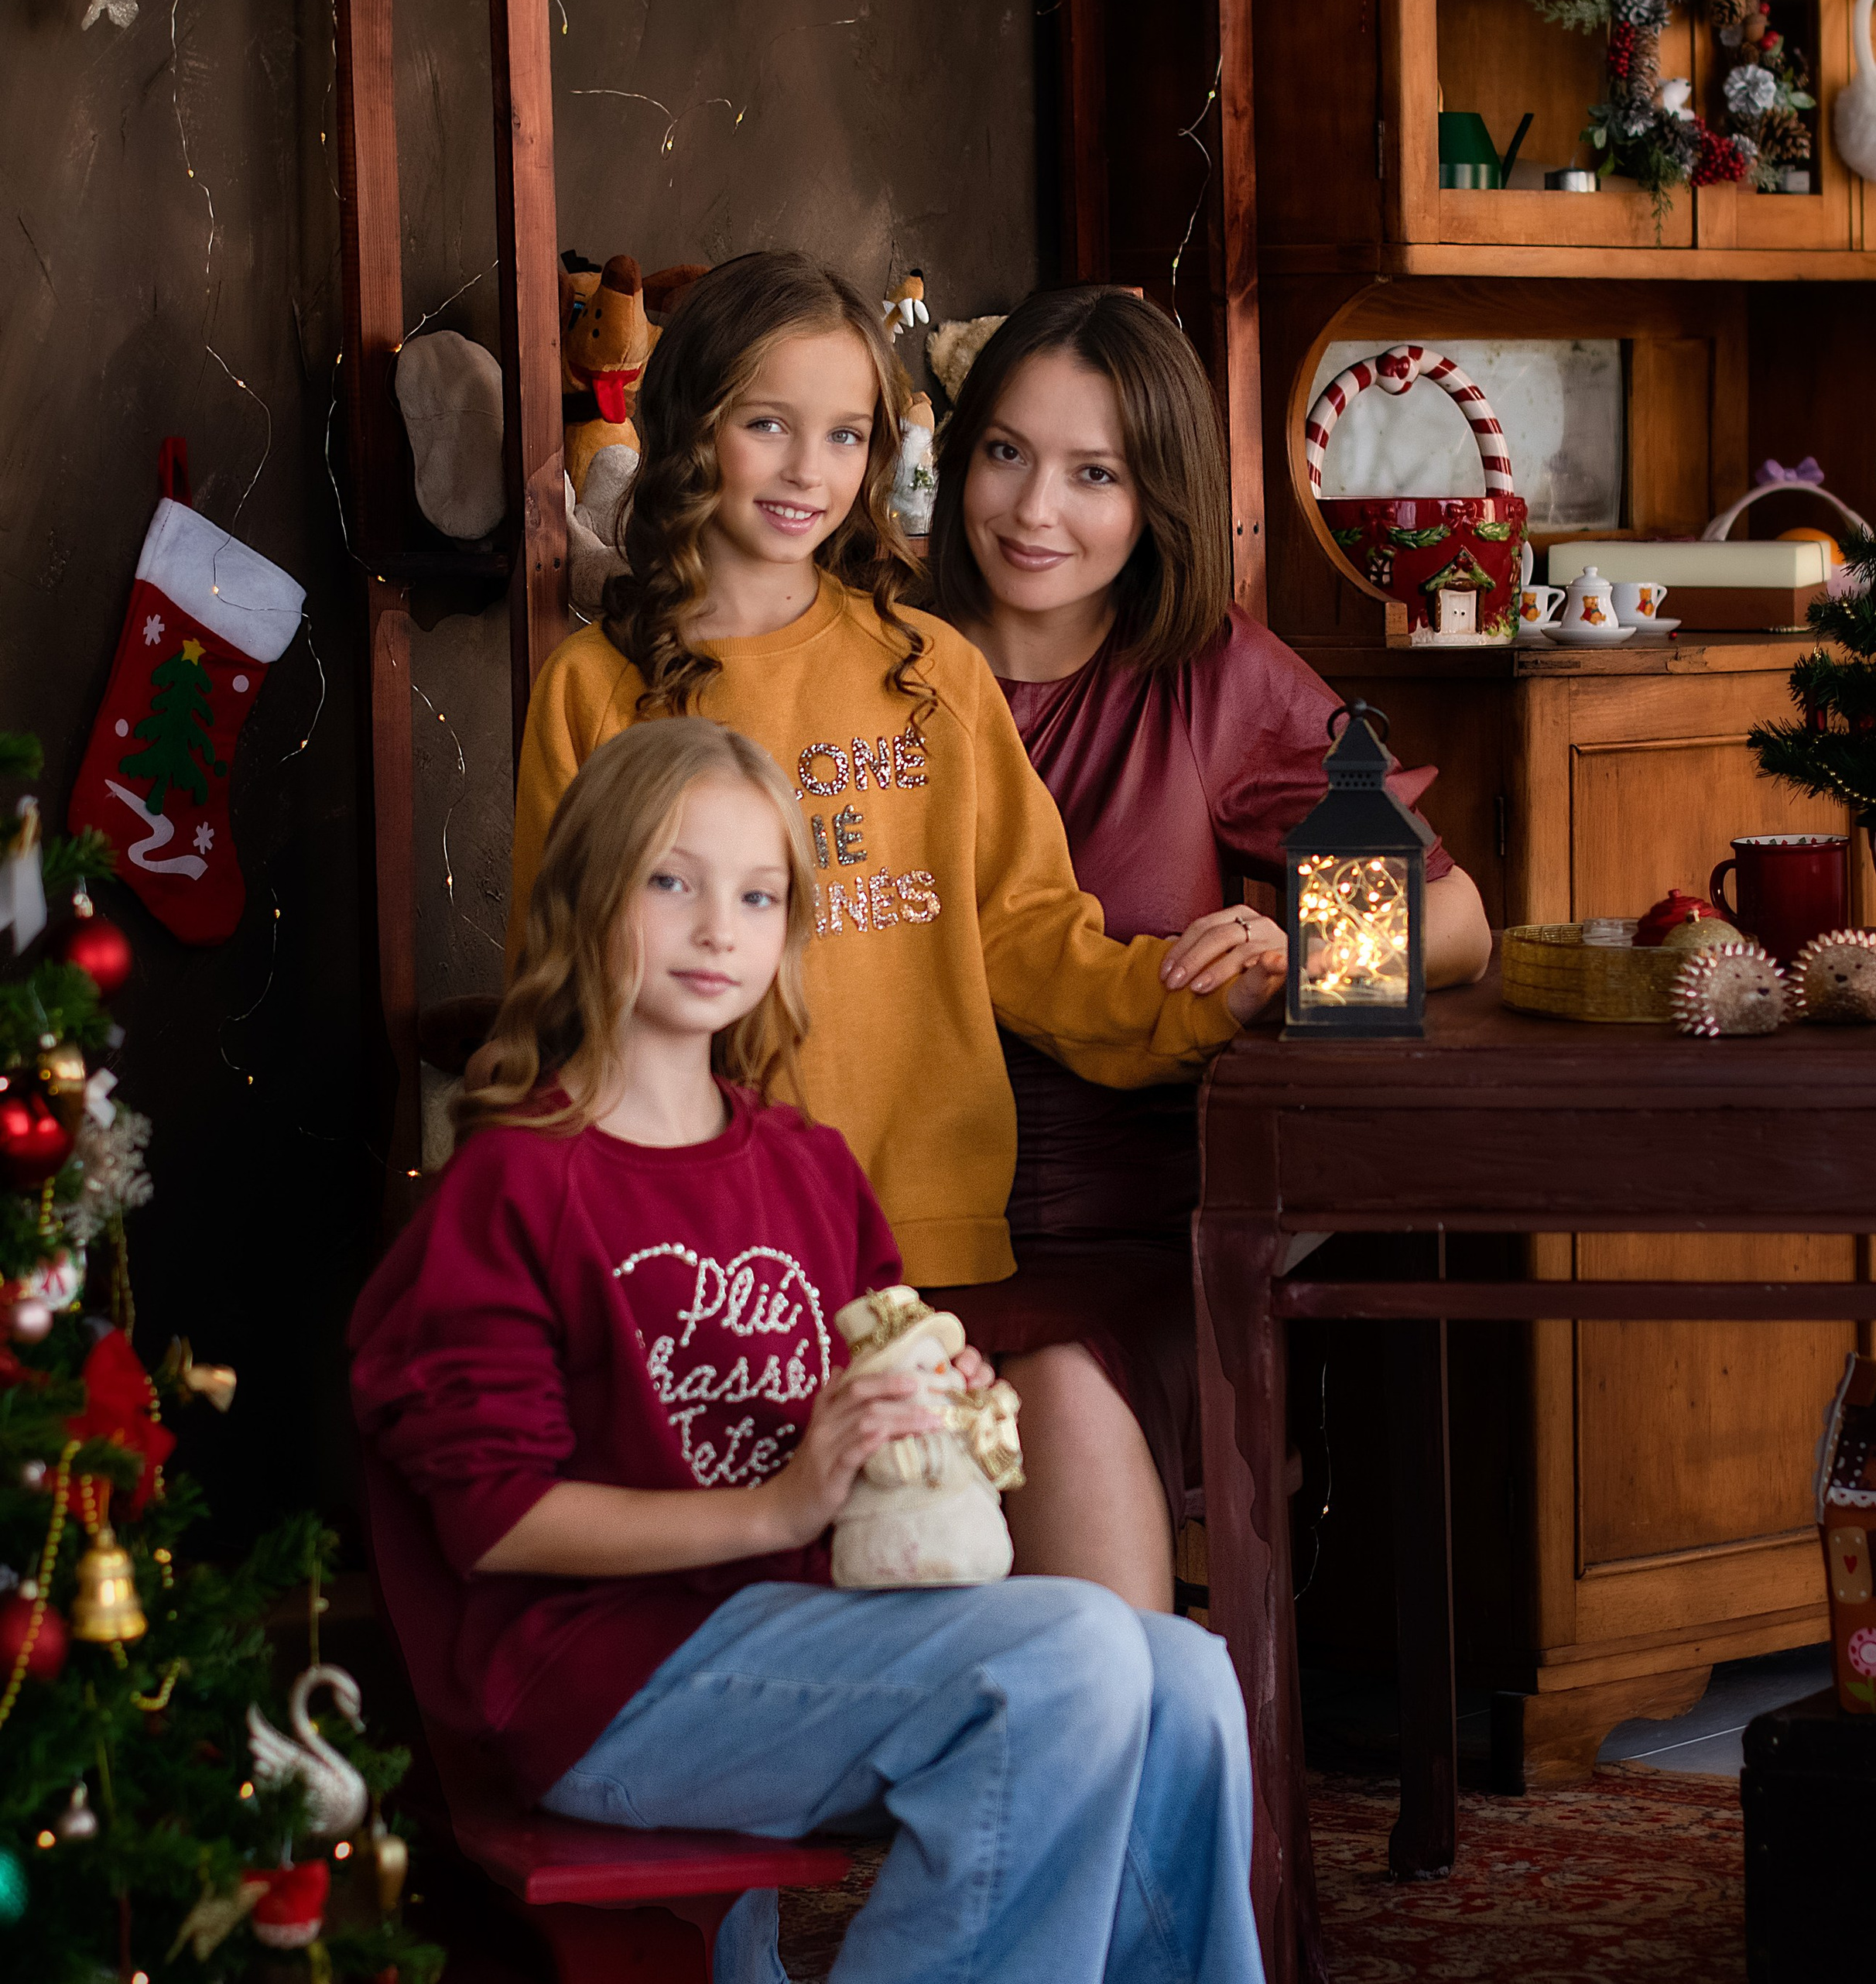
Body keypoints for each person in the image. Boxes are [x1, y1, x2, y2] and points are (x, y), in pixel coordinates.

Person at [351, 718, 1266, 1984]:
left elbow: (870, 1420)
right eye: (670, 881)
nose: (718, 926)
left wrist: (937, 1420)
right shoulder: (516, 1185)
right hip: (601, 1686)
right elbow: (494, 1522)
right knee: (1069, 1655)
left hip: (804, 1644)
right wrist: (777, 1503)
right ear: (583, 899)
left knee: (1182, 1677)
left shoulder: (804, 1166)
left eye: (758, 893)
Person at [506, 251, 1283, 1296]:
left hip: (924, 1226)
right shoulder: (592, 690)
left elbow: (1031, 939)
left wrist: (1196, 1003)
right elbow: (559, 989)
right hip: (688, 1238)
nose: (806, 473)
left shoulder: (932, 672)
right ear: (689, 420)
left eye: (845, 435)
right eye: (766, 424)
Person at [926, 286, 1494, 1609]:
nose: (1032, 512)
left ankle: (1138, 1780)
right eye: (1004, 453)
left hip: (1120, 1234)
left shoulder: (1206, 676)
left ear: (1156, 495)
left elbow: (1456, 919)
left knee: (1052, 1382)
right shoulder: (877, 662)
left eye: (1093, 474)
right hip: (882, 1205)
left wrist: (1304, 951)